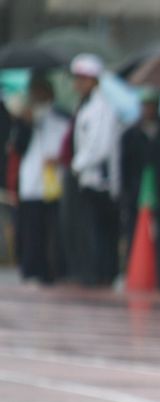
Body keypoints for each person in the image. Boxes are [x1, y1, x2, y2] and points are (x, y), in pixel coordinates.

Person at [69, 53, 122, 287]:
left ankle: (101, 275)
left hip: (100, 180)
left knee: (100, 231)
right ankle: (93, 272)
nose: (78, 84)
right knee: (90, 229)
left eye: (83, 79)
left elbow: (99, 147)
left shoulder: (101, 109)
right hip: (88, 179)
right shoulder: (85, 106)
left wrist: (77, 164)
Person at [120, 89, 160, 290]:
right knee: (135, 233)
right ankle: (136, 272)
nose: (148, 110)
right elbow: (125, 166)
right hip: (137, 193)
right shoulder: (131, 134)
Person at [14, 74, 69, 285]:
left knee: (54, 230)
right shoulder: (25, 118)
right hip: (31, 183)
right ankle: (33, 269)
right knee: (32, 230)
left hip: (54, 183)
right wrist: (24, 123)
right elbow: (18, 147)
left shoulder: (61, 116)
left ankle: (55, 269)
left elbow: (66, 145)